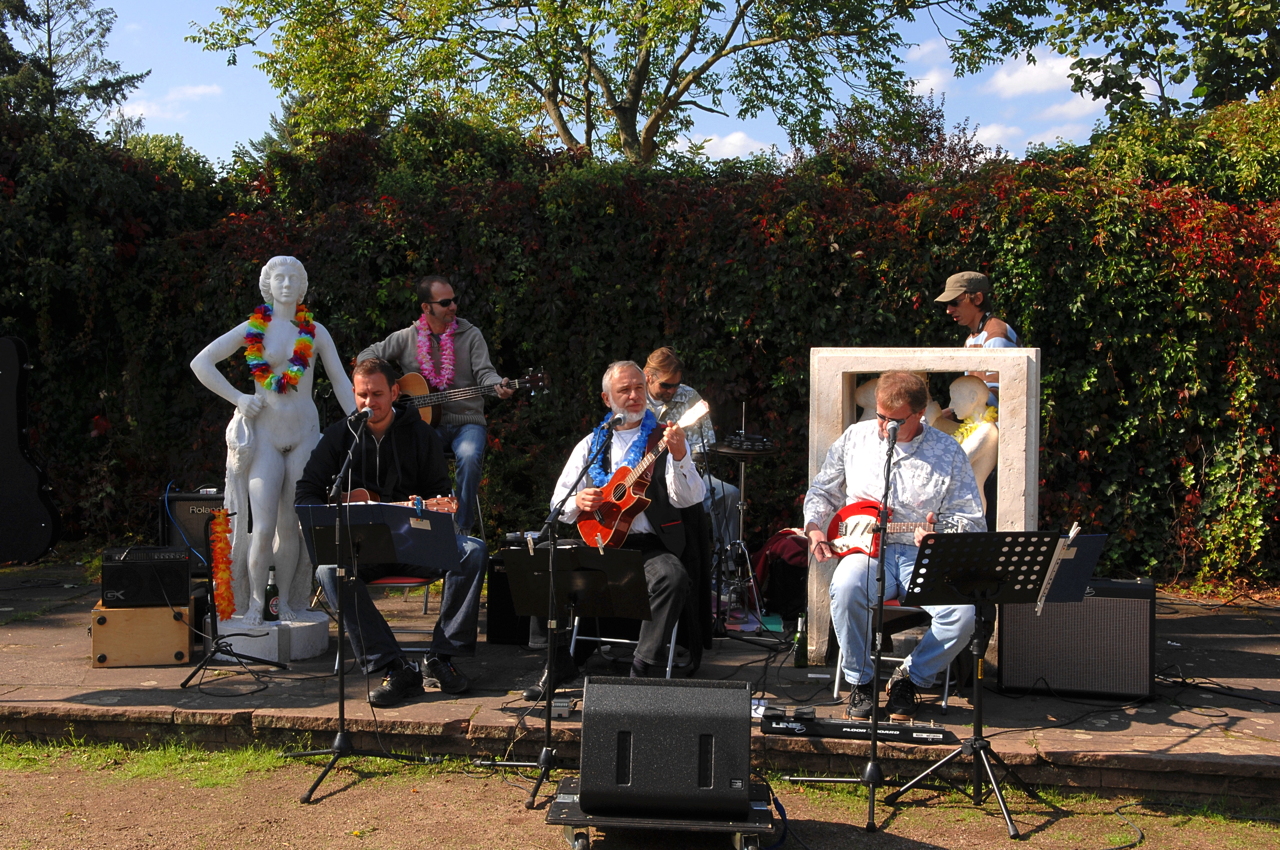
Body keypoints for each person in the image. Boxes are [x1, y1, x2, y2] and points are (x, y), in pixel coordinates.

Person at [295, 358, 488, 707]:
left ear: (395, 392)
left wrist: (423, 506)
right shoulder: (340, 436)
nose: (370, 403)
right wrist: (341, 505)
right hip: (364, 548)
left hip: (413, 545)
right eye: (362, 395)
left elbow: (440, 498)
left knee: (472, 551)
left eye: (378, 394)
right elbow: (306, 493)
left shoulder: (422, 435)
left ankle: (442, 658)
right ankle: (394, 667)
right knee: (328, 570)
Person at [803, 371, 984, 721]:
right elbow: (823, 490)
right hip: (868, 551)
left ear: (919, 414)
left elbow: (971, 519)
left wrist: (939, 535)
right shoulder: (856, 438)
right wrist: (814, 527)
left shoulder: (948, 451)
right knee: (845, 585)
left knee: (962, 616)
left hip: (924, 555)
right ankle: (861, 681)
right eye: (880, 415)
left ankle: (910, 677)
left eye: (894, 420)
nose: (882, 425)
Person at [190, 256, 355, 626]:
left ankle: (290, 603)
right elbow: (201, 363)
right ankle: (252, 605)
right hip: (264, 434)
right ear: (268, 284)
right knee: (261, 527)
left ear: (302, 287)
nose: (285, 284)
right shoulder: (254, 328)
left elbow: (342, 382)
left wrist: (360, 422)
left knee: (292, 525)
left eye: (292, 278)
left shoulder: (315, 332)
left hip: (304, 433)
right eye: (278, 278)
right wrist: (239, 397)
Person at [529, 361, 705, 698]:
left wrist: (681, 455)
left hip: (648, 546)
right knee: (544, 563)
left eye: (639, 387)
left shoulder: (663, 438)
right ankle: (557, 660)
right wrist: (579, 501)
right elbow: (558, 505)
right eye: (624, 390)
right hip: (599, 544)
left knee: (673, 575)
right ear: (607, 399)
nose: (635, 395)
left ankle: (641, 668)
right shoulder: (591, 444)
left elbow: (690, 498)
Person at [357, 275, 513, 536]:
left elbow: (486, 373)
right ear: (426, 308)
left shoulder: (471, 335)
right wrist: (390, 385)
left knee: (469, 456)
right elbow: (366, 356)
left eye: (454, 300)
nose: (453, 306)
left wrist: (499, 385)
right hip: (425, 425)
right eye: (445, 302)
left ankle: (460, 528)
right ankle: (412, 526)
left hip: (467, 421)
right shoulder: (408, 337)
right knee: (401, 456)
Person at [643, 347, 740, 548]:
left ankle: (727, 567)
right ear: (648, 377)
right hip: (643, 482)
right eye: (666, 385)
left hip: (684, 473)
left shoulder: (689, 397)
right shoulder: (634, 399)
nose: (672, 390)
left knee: (729, 495)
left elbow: (704, 444)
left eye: (676, 384)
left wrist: (684, 467)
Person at [934, 271, 1019, 411]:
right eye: (947, 304)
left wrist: (953, 414)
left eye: (954, 302)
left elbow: (999, 395)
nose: (948, 310)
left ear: (978, 298)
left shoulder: (995, 335)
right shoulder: (973, 338)